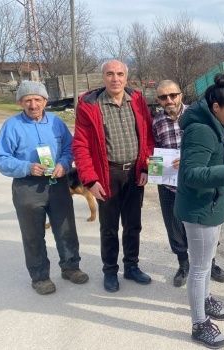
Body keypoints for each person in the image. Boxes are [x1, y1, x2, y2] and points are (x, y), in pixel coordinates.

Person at [174, 74, 224, 348]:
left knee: (205, 261)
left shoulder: (216, 124)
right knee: (199, 267)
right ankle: (198, 323)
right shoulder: (202, 130)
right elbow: (192, 174)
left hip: (212, 205)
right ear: (216, 107)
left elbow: (217, 165)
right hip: (199, 209)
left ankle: (205, 298)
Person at [0, 80, 89, 295]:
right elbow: (0, 157)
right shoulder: (12, 125)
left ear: (45, 101)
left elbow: (69, 148)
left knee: (66, 229)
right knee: (33, 234)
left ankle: (71, 267)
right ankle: (40, 276)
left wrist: (64, 164)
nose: (33, 105)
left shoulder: (56, 123)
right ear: (20, 103)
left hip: (58, 184)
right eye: (28, 100)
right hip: (27, 186)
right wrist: (26, 167)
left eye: (37, 99)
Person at [72, 59, 154, 293]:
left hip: (134, 173)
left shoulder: (137, 100)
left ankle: (131, 267)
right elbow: (81, 146)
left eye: (119, 74)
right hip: (108, 174)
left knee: (133, 225)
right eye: (110, 74)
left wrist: (146, 167)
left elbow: (147, 137)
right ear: (103, 77)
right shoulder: (90, 105)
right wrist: (90, 180)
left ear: (126, 77)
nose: (115, 78)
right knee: (109, 227)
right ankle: (110, 270)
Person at [151, 80, 224, 288]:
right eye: (163, 97)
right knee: (174, 228)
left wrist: (185, 158)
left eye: (173, 95)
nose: (169, 100)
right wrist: (157, 165)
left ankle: (210, 263)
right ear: (157, 100)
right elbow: (154, 152)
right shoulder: (156, 122)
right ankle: (183, 264)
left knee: (205, 227)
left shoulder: (198, 117)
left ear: (181, 95)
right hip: (169, 184)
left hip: (198, 184)